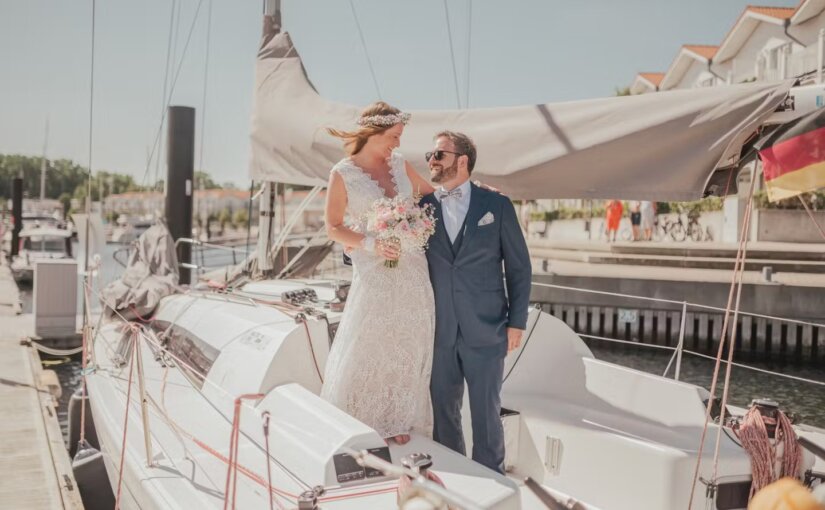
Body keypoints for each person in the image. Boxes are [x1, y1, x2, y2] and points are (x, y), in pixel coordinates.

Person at [321, 101, 438, 445]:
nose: (398, 144)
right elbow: (333, 227)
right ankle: (361, 418)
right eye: (394, 136)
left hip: (414, 270)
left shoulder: (400, 166)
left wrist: (475, 192)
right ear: (373, 133)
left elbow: (433, 196)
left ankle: (396, 419)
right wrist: (372, 244)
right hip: (376, 272)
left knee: (407, 342)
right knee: (372, 342)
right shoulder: (342, 173)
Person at [420, 131, 532, 474]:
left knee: (485, 413)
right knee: (444, 413)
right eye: (431, 155)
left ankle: (489, 484)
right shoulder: (421, 209)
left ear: (462, 160)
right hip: (439, 331)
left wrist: (517, 321)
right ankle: (452, 481)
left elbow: (519, 267)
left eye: (439, 154)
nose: (431, 161)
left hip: (487, 328)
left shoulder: (496, 205)